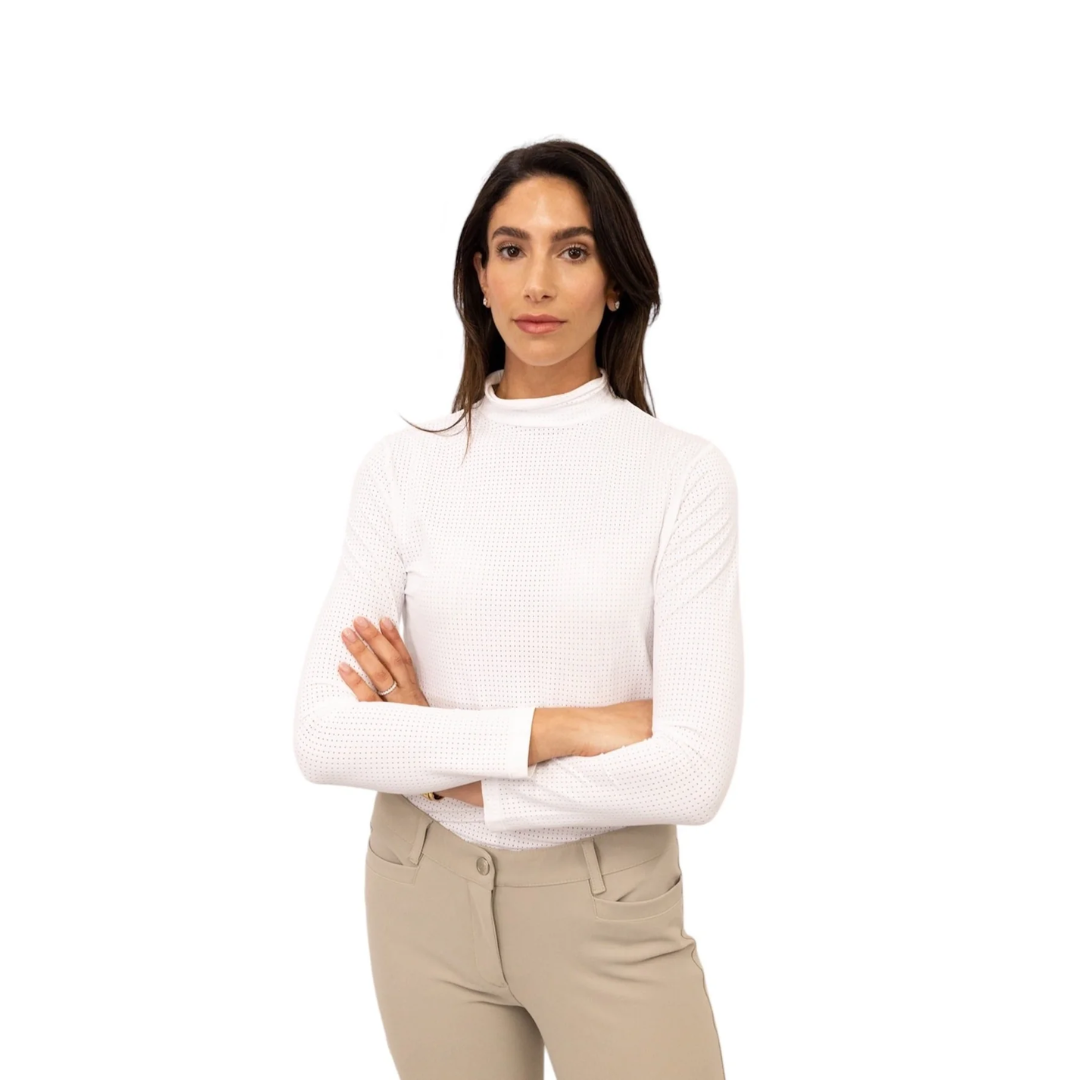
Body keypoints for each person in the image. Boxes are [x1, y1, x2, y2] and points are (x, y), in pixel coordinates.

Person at [292, 138, 743, 1079]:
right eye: (512, 249)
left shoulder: (682, 476)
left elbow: (692, 773)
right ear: (480, 276)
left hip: (606, 899)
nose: (538, 281)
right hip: (419, 893)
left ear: (614, 283)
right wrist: (562, 727)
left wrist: (446, 765)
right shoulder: (403, 469)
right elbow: (325, 737)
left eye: (573, 251)